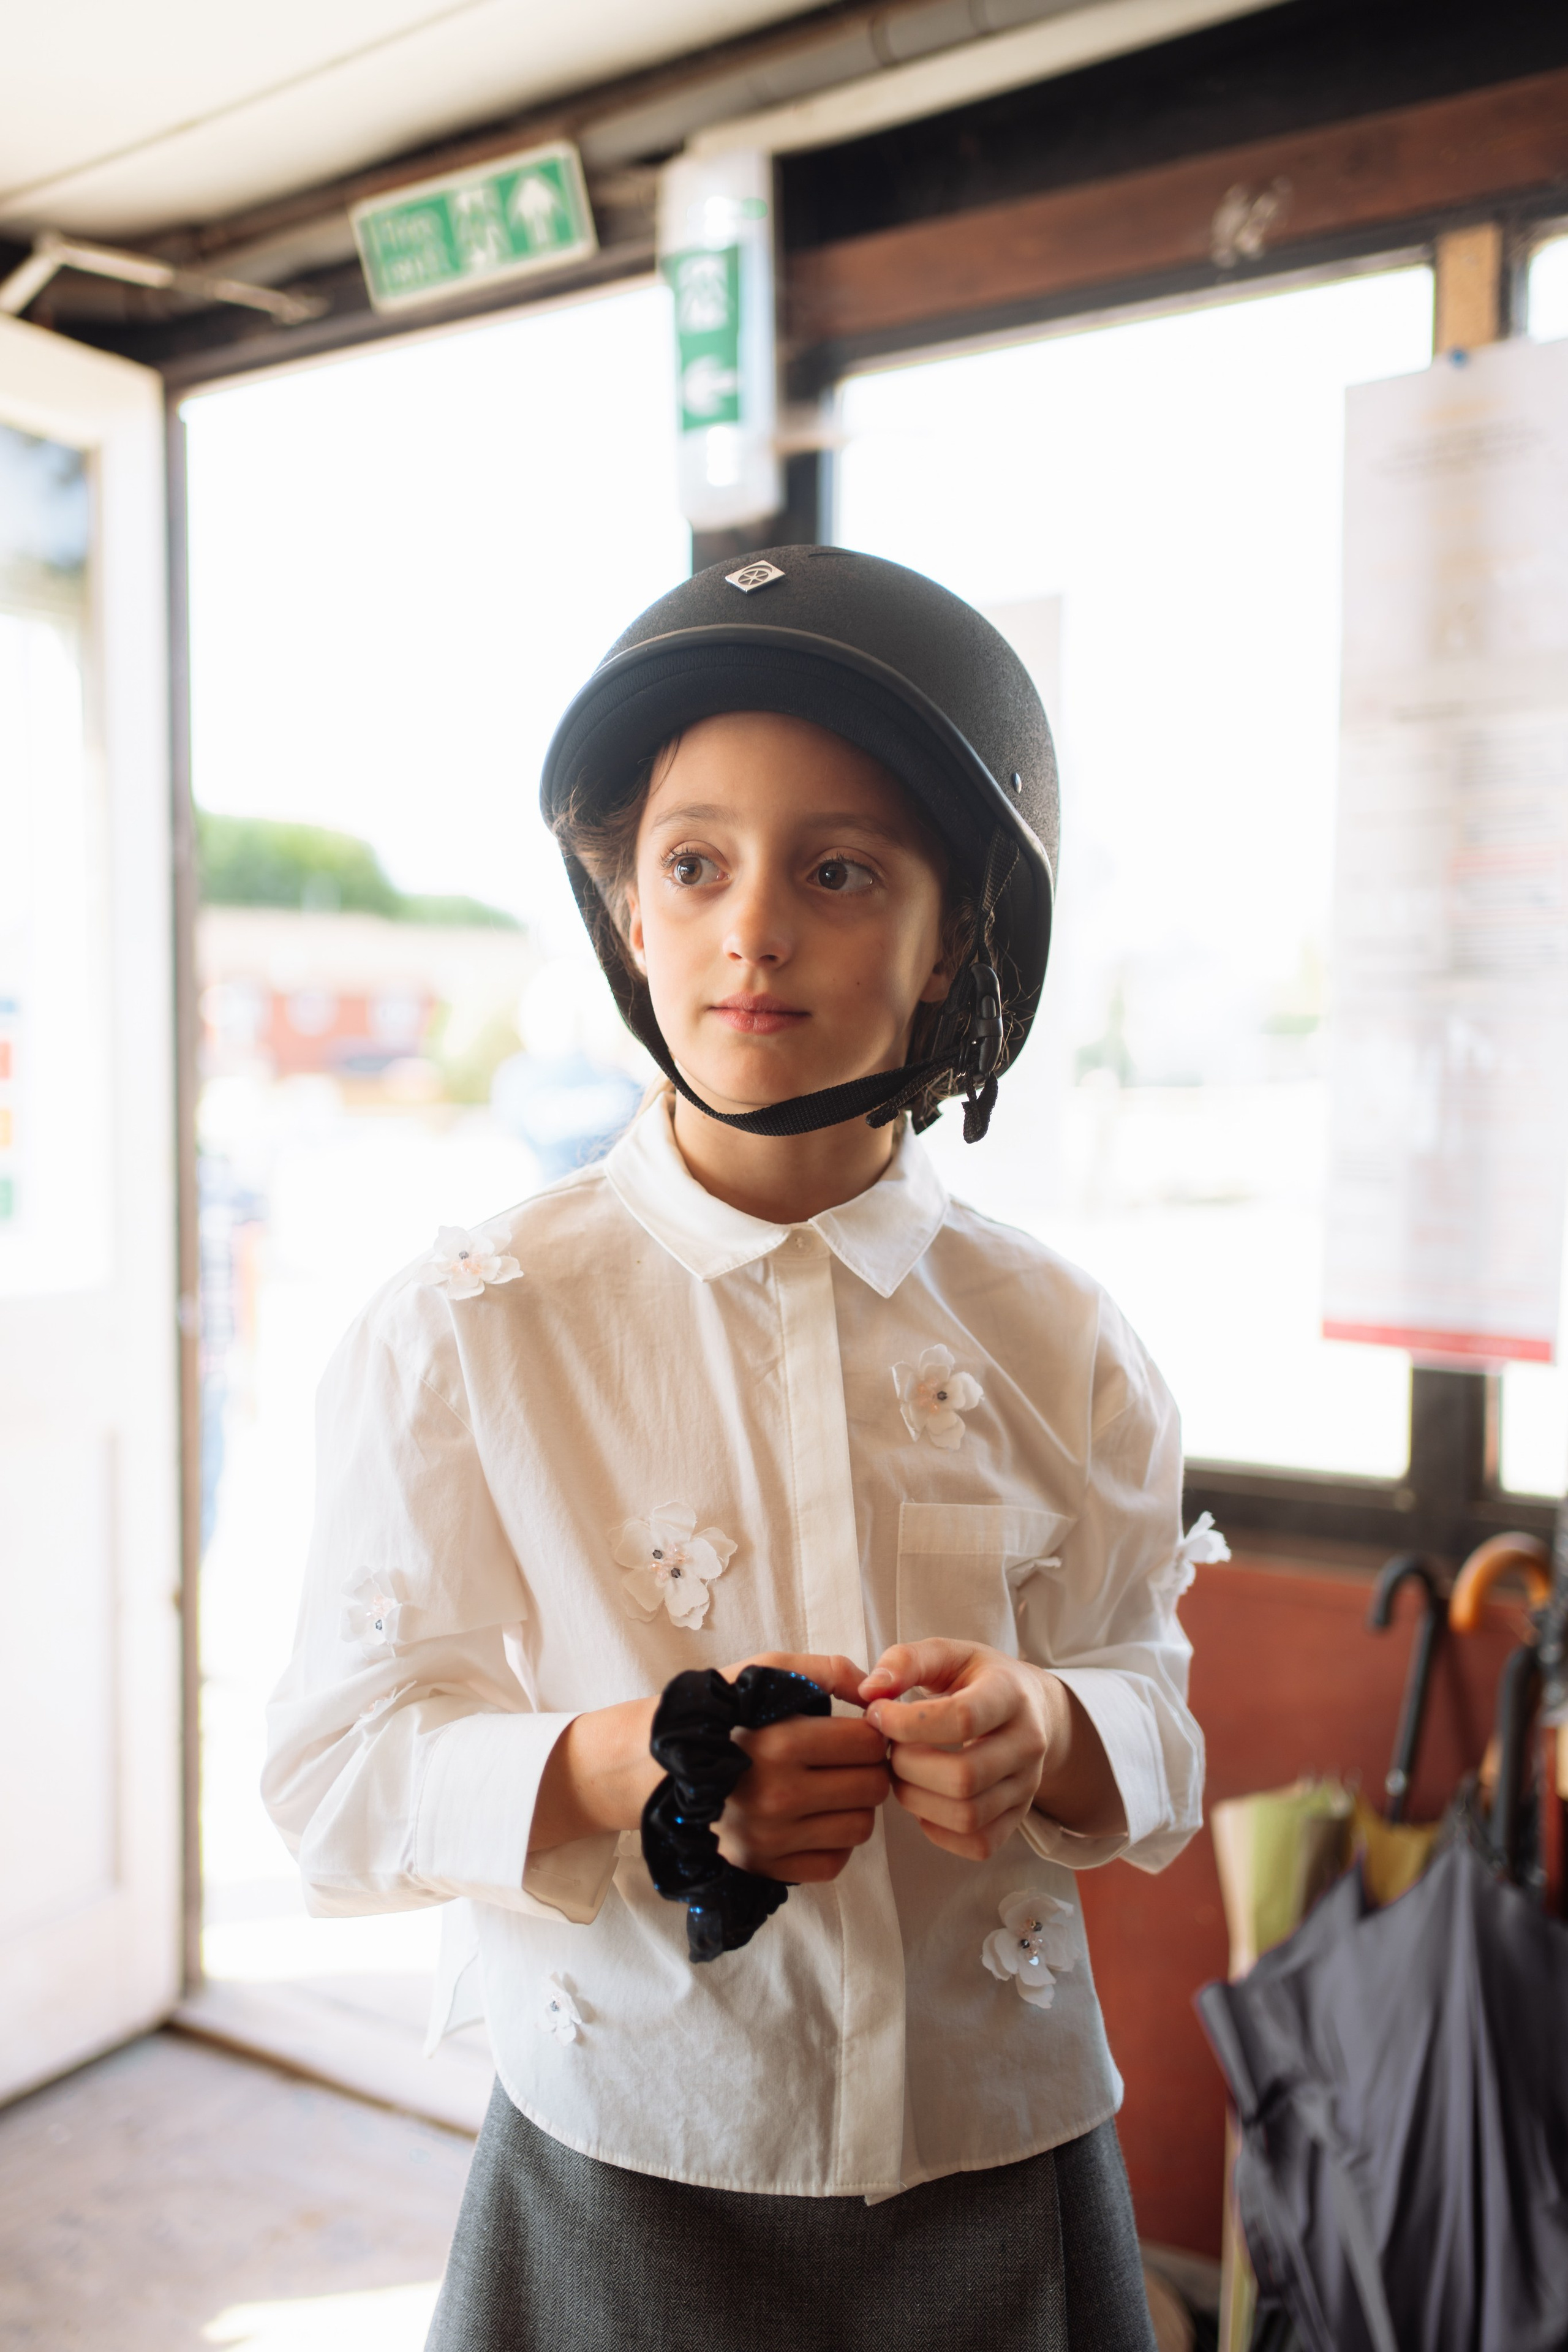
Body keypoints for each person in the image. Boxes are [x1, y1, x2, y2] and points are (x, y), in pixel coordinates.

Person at [263, 548, 1206, 2352]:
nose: (751, 926)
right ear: (631, 915)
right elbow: (339, 1776)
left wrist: (1052, 1724)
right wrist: (648, 1764)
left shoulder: (1064, 1344)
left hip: (999, 2165)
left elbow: (1155, 1709)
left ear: (959, 946)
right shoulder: (470, 1329)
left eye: (840, 869)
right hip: (626, 2172)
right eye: (694, 863)